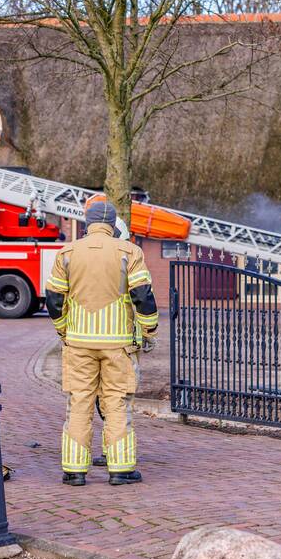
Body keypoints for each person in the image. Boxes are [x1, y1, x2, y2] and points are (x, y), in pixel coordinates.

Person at [46, 201, 158, 487]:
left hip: (79, 342)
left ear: (88, 222)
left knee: (79, 401)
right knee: (117, 402)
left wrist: (63, 331)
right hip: (118, 343)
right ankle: (120, 470)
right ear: (112, 225)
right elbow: (142, 295)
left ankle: (74, 471)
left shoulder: (67, 252)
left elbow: (55, 299)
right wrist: (149, 329)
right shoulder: (130, 251)